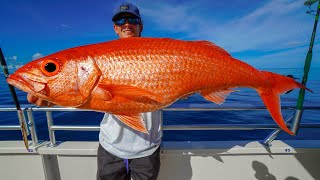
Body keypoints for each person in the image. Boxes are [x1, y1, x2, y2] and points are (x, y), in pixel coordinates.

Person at [27, 2, 162, 180]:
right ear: (115, 28)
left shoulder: (158, 53)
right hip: (111, 147)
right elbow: (88, 94)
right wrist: (54, 98)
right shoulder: (104, 56)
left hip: (148, 147)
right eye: (121, 21)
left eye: (132, 20)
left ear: (140, 26)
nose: (126, 24)